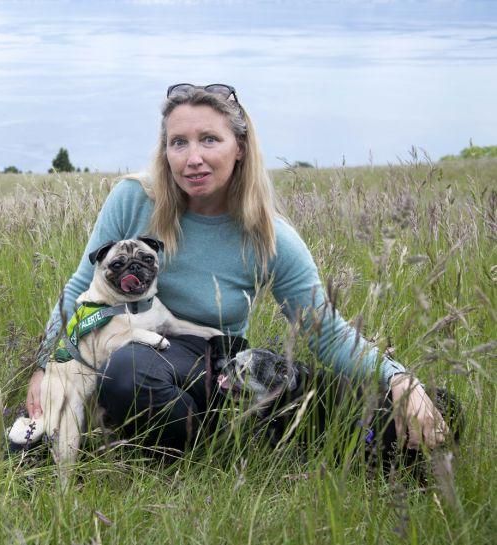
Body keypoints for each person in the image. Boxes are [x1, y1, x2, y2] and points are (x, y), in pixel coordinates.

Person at [26, 83, 448, 452]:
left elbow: (326, 332)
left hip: (218, 365)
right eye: (179, 143)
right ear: (165, 151)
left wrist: (398, 380)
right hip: (130, 353)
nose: (193, 158)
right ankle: (217, 442)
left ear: (240, 147)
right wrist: (46, 366)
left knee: (429, 417)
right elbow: (81, 286)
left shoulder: (270, 236)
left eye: (210, 139)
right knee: (129, 373)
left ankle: (238, 431)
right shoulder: (134, 199)